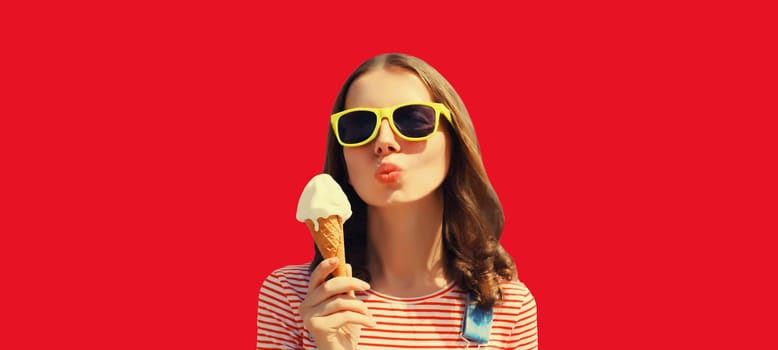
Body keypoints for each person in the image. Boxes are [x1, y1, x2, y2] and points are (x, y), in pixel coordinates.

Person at [257, 53, 538, 349]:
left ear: (453, 141)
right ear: (344, 159)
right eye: (359, 126)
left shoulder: (505, 305)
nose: (384, 141)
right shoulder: (292, 295)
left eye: (413, 120)